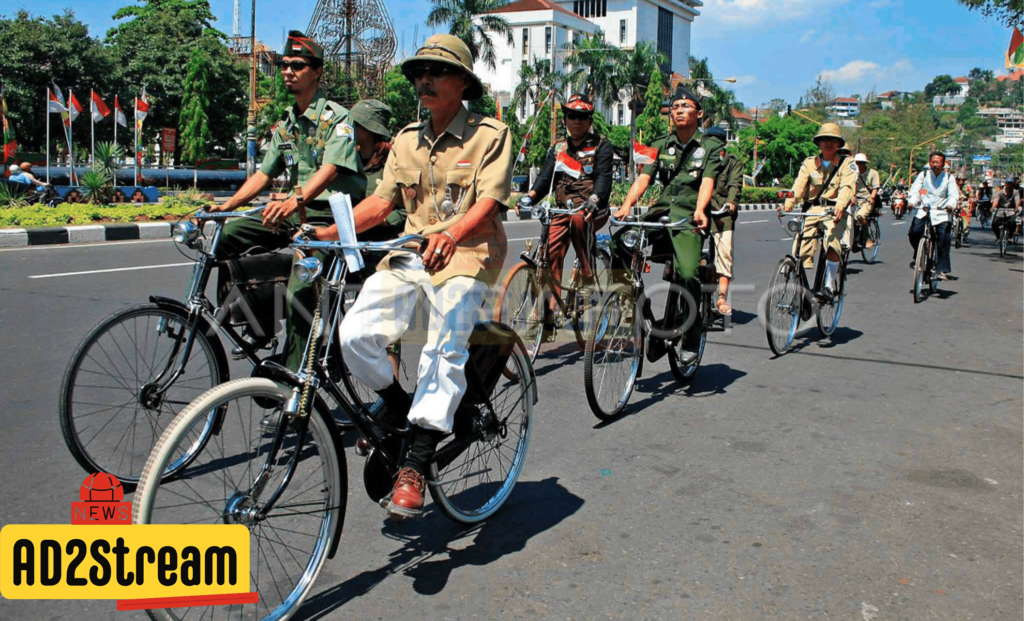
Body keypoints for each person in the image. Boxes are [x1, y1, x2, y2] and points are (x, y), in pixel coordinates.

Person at [311, 34, 512, 519]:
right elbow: (382, 203)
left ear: (462, 82)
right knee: (354, 334)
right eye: (420, 71)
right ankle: (403, 411)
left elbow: (488, 204)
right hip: (411, 255)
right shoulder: (405, 140)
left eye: (437, 71)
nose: (425, 79)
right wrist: (322, 231)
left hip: (467, 255)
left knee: (445, 341)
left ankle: (416, 465)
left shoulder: (489, 135)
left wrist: (453, 232)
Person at [207, 30, 365, 367]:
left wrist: (295, 202)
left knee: (299, 291)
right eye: (283, 64)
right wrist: (225, 209)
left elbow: (332, 169)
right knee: (223, 239)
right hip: (295, 213)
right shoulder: (287, 125)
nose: (288, 71)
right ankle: (257, 320)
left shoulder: (336, 118)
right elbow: (264, 174)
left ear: (317, 71)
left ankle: (293, 376)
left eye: (297, 65)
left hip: (328, 217)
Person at [611, 84, 725, 365]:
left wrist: (700, 210)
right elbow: (644, 178)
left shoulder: (710, 148)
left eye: (685, 106)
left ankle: (691, 338)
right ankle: (634, 304)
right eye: (675, 107)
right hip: (659, 214)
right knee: (619, 243)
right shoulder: (661, 144)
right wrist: (626, 204)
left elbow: (707, 181)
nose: (679, 111)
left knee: (688, 274)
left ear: (699, 113)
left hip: (688, 218)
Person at [519, 93, 613, 336]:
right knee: (550, 255)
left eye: (582, 117)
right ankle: (547, 317)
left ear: (590, 119)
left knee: (580, 219)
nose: (577, 121)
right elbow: (544, 178)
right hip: (562, 208)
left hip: (593, 207)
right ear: (565, 119)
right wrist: (529, 197)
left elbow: (603, 178)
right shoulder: (558, 147)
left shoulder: (601, 145)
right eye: (572, 116)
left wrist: (594, 199)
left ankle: (587, 274)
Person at [782, 122, 856, 301]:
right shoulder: (809, 163)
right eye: (824, 140)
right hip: (813, 208)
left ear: (839, 144)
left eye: (833, 140)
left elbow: (847, 186)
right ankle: (798, 277)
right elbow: (799, 185)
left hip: (834, 209)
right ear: (819, 143)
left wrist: (841, 205)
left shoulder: (848, 163)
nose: (828, 143)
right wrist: (788, 204)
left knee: (832, 239)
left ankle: (829, 285)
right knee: (800, 245)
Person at [705, 125, 742, 315]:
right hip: (700, 212)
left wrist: (731, 202)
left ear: (724, 144)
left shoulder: (732, 162)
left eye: (716, 142)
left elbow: (735, 184)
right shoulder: (699, 158)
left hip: (722, 213)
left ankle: (721, 297)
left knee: (724, 253)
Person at [908, 151, 958, 279]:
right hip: (924, 210)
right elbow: (917, 191)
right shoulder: (923, 175)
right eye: (933, 162)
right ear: (930, 163)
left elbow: (953, 195)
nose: (935, 165)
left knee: (944, 238)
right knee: (914, 232)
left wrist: (950, 205)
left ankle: (941, 269)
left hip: (941, 212)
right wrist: (912, 202)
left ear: (943, 164)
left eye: (938, 162)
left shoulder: (949, 178)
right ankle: (919, 255)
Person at [853, 153, 881, 250]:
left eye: (861, 163)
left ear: (865, 164)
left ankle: (867, 237)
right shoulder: (852, 173)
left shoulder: (873, 173)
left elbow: (875, 187)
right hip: (854, 199)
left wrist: (872, 198)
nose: (859, 165)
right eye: (857, 163)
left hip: (867, 200)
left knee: (860, 216)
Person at [991, 177, 1020, 242]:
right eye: (1008, 183)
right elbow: (996, 201)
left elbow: (1017, 201)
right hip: (1000, 210)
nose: (1009, 185)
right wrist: (993, 207)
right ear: (1005, 184)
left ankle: (1010, 236)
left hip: (1011, 210)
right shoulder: (1000, 192)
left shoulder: (1015, 192)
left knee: (1013, 222)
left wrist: (1016, 208)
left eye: (1011, 184)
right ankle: (998, 237)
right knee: (994, 223)